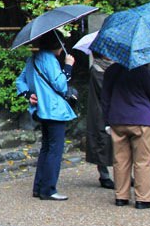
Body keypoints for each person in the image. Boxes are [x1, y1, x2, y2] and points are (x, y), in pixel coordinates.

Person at [16, 30, 77, 201]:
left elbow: (20, 81)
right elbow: (61, 86)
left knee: (46, 148)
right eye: (62, 44)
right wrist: (68, 66)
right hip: (54, 110)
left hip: (41, 110)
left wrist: (28, 94)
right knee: (54, 150)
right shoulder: (50, 60)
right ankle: (49, 189)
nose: (63, 47)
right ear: (56, 45)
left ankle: (39, 187)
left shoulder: (32, 59)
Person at [101, 60, 150, 209]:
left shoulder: (111, 70)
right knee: (142, 161)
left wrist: (107, 121)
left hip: (117, 119)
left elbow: (105, 98)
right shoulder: (141, 69)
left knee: (120, 160)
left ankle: (121, 197)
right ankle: (143, 199)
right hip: (141, 119)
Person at [85, 52, 115, 189]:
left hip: (112, 108)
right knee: (101, 140)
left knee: (118, 142)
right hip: (100, 110)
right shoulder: (97, 69)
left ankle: (124, 174)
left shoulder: (114, 67)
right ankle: (104, 175)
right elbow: (104, 89)